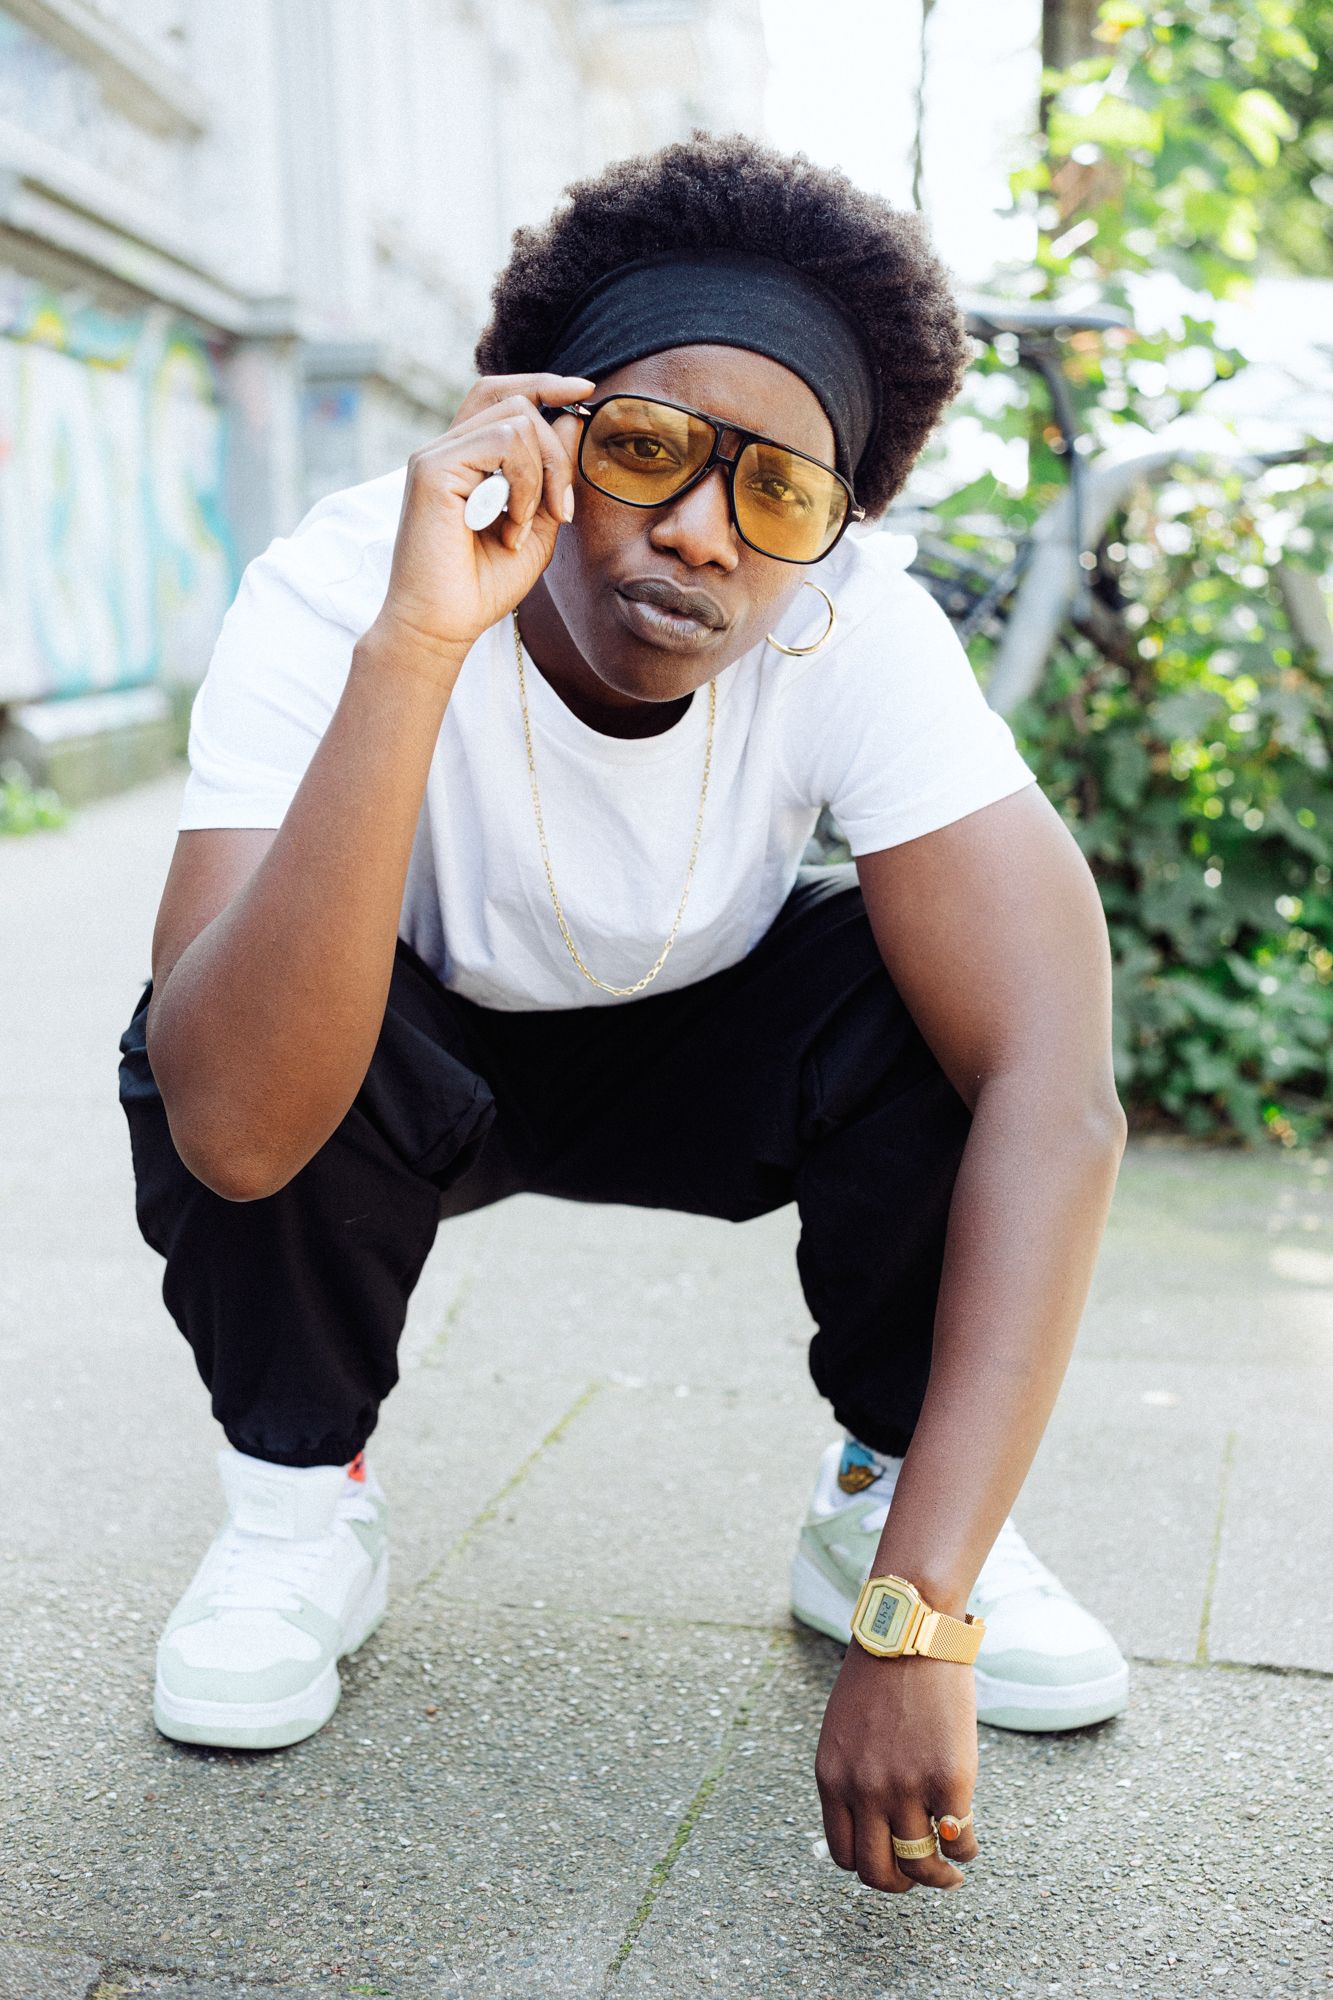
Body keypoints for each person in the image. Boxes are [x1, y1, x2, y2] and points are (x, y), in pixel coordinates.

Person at [117, 131, 1129, 1897]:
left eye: (778, 494)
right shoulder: (347, 578)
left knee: (962, 1021)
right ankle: (295, 1514)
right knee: (206, 1018)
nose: (695, 529)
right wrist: (420, 645)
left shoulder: (855, 631)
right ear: (547, 434)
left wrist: (921, 1606)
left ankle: (870, 1504)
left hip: (702, 1043)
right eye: (647, 451)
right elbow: (237, 1120)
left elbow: (1058, 1089)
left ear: (836, 526)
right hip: (395, 1057)